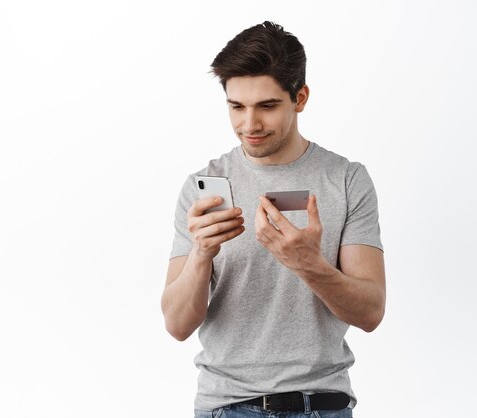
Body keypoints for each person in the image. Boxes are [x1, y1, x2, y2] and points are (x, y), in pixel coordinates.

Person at [161, 21, 386, 418]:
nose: (249, 125)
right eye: (236, 107)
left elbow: (371, 313)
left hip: (323, 404)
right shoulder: (204, 187)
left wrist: (309, 265)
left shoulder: (347, 180)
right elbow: (177, 325)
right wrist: (200, 254)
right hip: (227, 407)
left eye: (266, 106)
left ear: (300, 98)